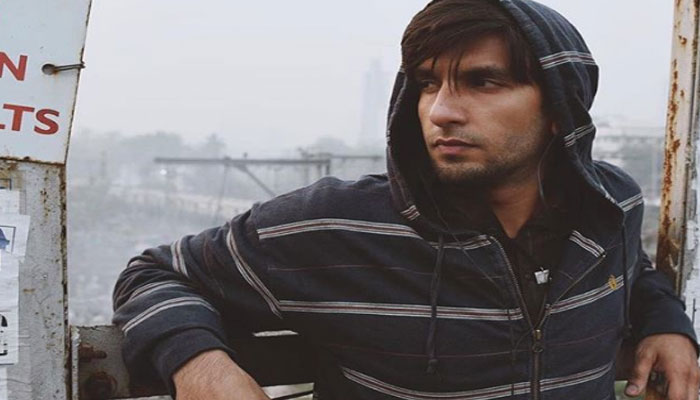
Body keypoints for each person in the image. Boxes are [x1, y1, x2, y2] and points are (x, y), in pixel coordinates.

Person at [112, 0, 700, 399]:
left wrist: (666, 324)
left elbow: (633, 271)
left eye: (482, 82)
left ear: (560, 110)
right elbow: (154, 273)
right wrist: (201, 369)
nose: (440, 110)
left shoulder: (610, 205)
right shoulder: (334, 227)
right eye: (426, 83)